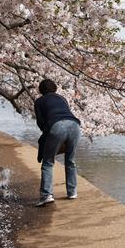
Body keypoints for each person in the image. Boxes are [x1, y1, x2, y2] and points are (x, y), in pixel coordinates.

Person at [33, 79, 82, 207]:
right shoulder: (62, 98)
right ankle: (72, 192)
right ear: (55, 88)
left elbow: (41, 122)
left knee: (48, 162)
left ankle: (46, 195)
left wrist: (49, 135)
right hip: (75, 124)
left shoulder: (39, 101)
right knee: (70, 160)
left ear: (40, 90)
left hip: (57, 125)